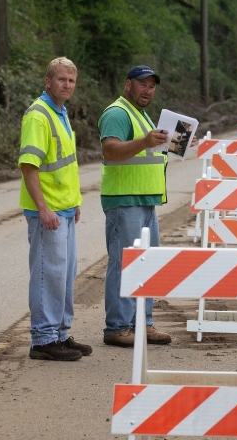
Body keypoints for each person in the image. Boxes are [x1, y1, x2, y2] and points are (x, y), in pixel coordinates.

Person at [19, 57, 92, 361]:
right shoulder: (38, 115)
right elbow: (29, 166)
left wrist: (74, 203)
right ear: (48, 81)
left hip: (64, 210)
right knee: (48, 274)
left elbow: (65, 166)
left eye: (71, 81)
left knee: (64, 274)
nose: (67, 85)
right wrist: (44, 209)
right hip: (47, 213)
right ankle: (44, 339)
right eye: (61, 79)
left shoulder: (59, 113)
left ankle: (60, 333)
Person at [98, 65, 174, 347]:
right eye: (143, 84)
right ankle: (117, 327)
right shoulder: (117, 113)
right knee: (124, 265)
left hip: (145, 200)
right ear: (128, 84)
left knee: (146, 265)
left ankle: (143, 323)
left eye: (152, 86)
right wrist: (144, 141)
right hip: (124, 201)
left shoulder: (141, 114)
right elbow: (111, 150)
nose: (148, 90)